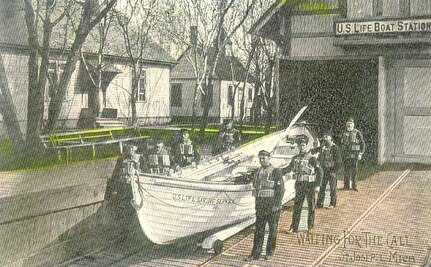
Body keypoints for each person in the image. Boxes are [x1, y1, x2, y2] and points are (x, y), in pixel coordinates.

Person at [245, 150, 284, 261]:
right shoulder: (258, 172)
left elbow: (280, 189)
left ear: (269, 158)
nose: (262, 160)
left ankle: (269, 252)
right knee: (259, 230)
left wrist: (277, 204)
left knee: (272, 230)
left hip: (272, 205)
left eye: (264, 158)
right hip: (261, 206)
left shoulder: (276, 171)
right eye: (260, 158)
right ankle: (255, 254)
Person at [283, 134, 323, 234]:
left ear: (306, 146)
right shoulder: (295, 158)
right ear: (298, 146)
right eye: (300, 145)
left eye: (303, 145)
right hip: (300, 185)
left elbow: (320, 172)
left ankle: (310, 227)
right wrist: (276, 172)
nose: (302, 147)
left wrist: (318, 185)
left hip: (310, 185)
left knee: (311, 207)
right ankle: (294, 228)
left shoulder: (312, 158)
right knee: (297, 207)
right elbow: (287, 169)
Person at [316, 131, 342, 209]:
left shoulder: (335, 148)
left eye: (326, 137)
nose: (324, 138)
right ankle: (320, 203)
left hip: (332, 171)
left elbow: (338, 161)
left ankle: (332, 203)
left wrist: (334, 170)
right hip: (324, 170)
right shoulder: (323, 147)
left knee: (333, 188)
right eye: (324, 137)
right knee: (322, 187)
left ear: (331, 138)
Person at [340, 118, 365, 191]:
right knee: (346, 171)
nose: (349, 126)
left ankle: (354, 186)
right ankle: (346, 186)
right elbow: (341, 144)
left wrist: (361, 153)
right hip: (346, 156)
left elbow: (362, 143)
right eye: (348, 124)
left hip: (355, 155)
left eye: (350, 124)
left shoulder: (357, 133)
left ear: (353, 125)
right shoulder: (343, 133)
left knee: (354, 171)